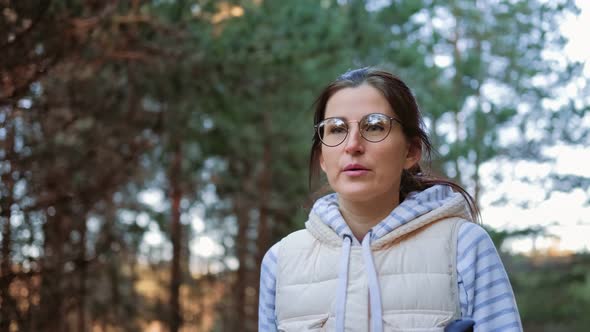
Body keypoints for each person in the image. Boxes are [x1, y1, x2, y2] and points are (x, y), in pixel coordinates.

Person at [258, 67, 522, 332]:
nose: (352, 145)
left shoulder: (463, 247)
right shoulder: (280, 262)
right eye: (336, 129)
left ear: (411, 150)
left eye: (374, 126)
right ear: (322, 158)